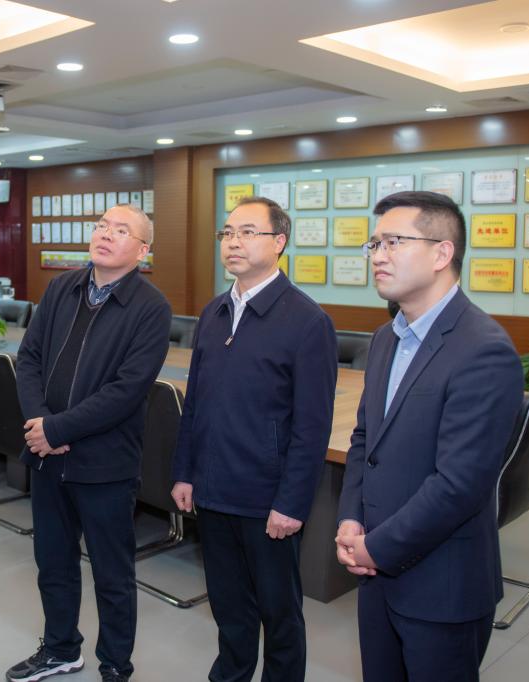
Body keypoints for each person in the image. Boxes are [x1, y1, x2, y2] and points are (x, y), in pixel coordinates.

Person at [335, 191, 524, 682]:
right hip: (375, 571)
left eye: (394, 242)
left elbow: (459, 484)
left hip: (442, 585)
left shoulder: (483, 350)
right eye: (374, 244)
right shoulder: (386, 338)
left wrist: (378, 547)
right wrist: (351, 519)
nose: (378, 255)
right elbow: (365, 441)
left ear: (442, 253)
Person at [171, 196, 337, 682]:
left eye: (248, 232)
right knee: (228, 606)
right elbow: (195, 403)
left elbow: (312, 427)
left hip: (267, 500)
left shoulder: (307, 321)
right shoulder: (214, 312)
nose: (233, 242)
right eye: (227, 233)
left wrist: (292, 503)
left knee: (279, 613)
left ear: (279, 242)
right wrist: (185, 472)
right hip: (212, 490)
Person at [10, 204, 172, 682]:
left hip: (105, 464)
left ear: (142, 250)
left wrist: (57, 430)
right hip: (47, 458)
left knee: (112, 573)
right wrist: (41, 424)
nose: (105, 234)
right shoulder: (62, 288)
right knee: (52, 563)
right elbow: (29, 358)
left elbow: (127, 390)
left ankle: (116, 664)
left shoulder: (151, 307)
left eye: (121, 230)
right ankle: (60, 649)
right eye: (102, 225)